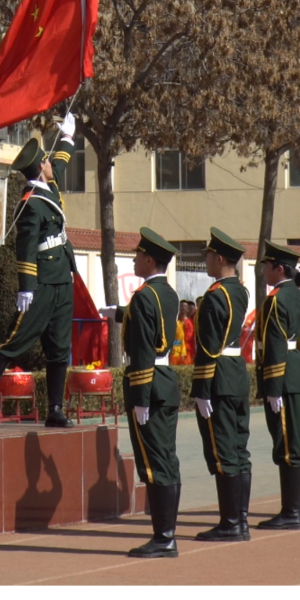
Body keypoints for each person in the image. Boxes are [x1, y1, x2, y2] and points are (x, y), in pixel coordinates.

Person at [0, 117, 79, 429]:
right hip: (43, 282)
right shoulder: (31, 201)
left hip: (62, 279)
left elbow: (59, 165)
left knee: (59, 348)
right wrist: (26, 287)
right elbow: (25, 245)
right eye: (46, 160)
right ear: (39, 167)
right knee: (13, 343)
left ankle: (55, 409)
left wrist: (68, 138)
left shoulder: (47, 185)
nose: (50, 164)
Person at [99, 228, 181, 559]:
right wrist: (117, 313)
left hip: (149, 383)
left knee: (156, 464)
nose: (134, 258)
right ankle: (167, 534)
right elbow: (151, 324)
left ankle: (164, 538)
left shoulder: (144, 296)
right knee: (167, 461)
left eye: (137, 254)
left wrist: (141, 396)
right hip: (166, 380)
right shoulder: (167, 293)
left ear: (150, 259)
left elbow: (145, 346)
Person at [191, 229, 252, 542]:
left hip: (218, 377)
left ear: (220, 258)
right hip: (237, 373)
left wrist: (201, 389)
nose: (206, 261)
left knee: (224, 451)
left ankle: (230, 523)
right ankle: (240, 519)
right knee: (239, 450)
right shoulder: (240, 291)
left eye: (208, 255)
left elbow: (208, 346)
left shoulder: (215, 296)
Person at [255, 241, 300, 530]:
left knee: (287, 444)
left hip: (284, 375)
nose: (263, 270)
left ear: (279, 269)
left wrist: (272, 387)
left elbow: (274, 345)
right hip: (299, 371)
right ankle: (296, 509)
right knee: (298, 442)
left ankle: (291, 512)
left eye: (267, 265)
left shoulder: (275, 300)